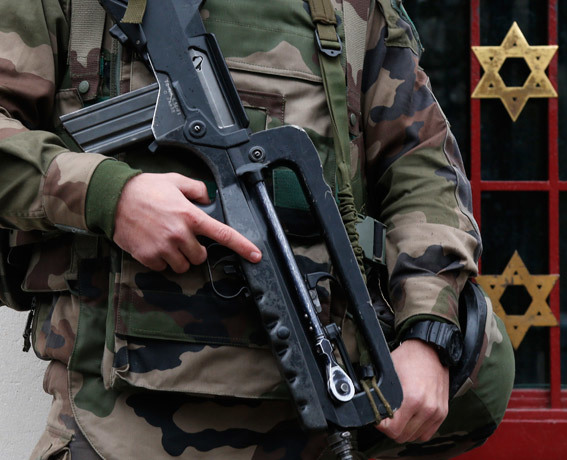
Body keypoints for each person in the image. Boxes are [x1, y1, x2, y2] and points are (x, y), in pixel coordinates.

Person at [0, 0, 514, 458]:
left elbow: (424, 171)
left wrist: (426, 334)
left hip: (324, 421)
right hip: (113, 429)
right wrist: (110, 196)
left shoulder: (352, 9)